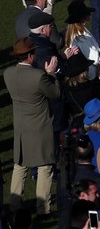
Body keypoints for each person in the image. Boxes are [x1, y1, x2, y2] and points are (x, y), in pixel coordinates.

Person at [4, 37, 61, 214]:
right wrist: (51, 73)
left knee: (19, 165)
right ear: (29, 56)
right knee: (44, 166)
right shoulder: (38, 76)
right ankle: (42, 208)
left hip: (21, 128)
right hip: (40, 128)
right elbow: (55, 93)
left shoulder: (8, 73)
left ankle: (14, 204)